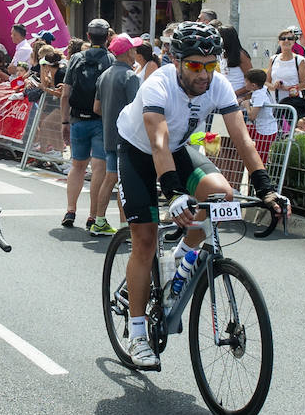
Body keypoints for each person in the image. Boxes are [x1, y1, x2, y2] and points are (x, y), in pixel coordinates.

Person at [115, 23, 286, 369]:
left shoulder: (217, 84)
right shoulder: (158, 83)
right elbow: (157, 138)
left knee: (222, 195)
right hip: (138, 152)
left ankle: (180, 254)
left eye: (211, 65)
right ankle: (136, 336)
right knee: (145, 240)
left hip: (176, 149)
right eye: (195, 65)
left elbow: (242, 138)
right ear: (176, 61)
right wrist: (174, 191)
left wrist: (267, 188)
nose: (204, 74)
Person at [60, 18, 113, 228]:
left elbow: (65, 93)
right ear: (107, 37)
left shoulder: (76, 58)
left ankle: (70, 211)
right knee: (99, 168)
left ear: (89, 36)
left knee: (77, 166)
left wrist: (65, 121)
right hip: (101, 120)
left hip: (77, 118)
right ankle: (93, 216)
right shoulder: (110, 59)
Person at [91, 33, 142, 235]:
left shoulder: (104, 75)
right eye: (134, 48)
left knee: (111, 178)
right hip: (127, 138)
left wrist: (112, 116)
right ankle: (124, 227)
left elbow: (96, 107)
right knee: (123, 182)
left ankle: (100, 220)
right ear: (128, 52)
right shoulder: (130, 77)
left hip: (109, 134)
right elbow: (137, 110)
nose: (136, 52)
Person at [267, 28, 305, 120]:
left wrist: (289, 88)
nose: (286, 41)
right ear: (279, 42)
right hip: (275, 103)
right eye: (283, 39)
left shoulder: (299, 60)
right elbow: (266, 82)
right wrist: (274, 86)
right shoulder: (273, 59)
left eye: (290, 39)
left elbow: (304, 84)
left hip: (293, 104)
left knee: (292, 131)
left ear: (294, 41)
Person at [244, 68, 279, 154]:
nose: (244, 84)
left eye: (246, 82)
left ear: (253, 85)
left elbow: (252, 116)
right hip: (263, 128)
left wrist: (247, 105)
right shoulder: (262, 89)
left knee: (261, 156)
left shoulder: (259, 95)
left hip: (266, 131)